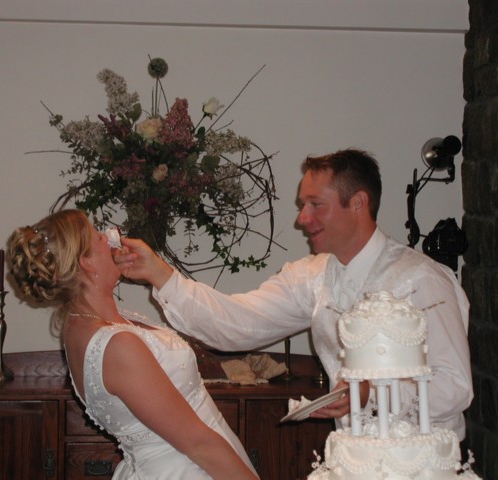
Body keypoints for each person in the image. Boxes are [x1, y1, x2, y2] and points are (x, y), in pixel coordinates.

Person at [115, 148, 473, 440]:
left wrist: (372, 394)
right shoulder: (311, 276)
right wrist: (158, 273)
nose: (302, 218)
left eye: (315, 204)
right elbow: (237, 324)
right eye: (304, 205)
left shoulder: (422, 279)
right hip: (352, 459)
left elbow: (455, 387)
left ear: (359, 203)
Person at [7, 209, 258, 480]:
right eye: (98, 237)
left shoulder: (82, 323)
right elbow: (198, 443)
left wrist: (154, 270)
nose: (109, 237)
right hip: (191, 467)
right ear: (87, 263)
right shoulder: (116, 345)